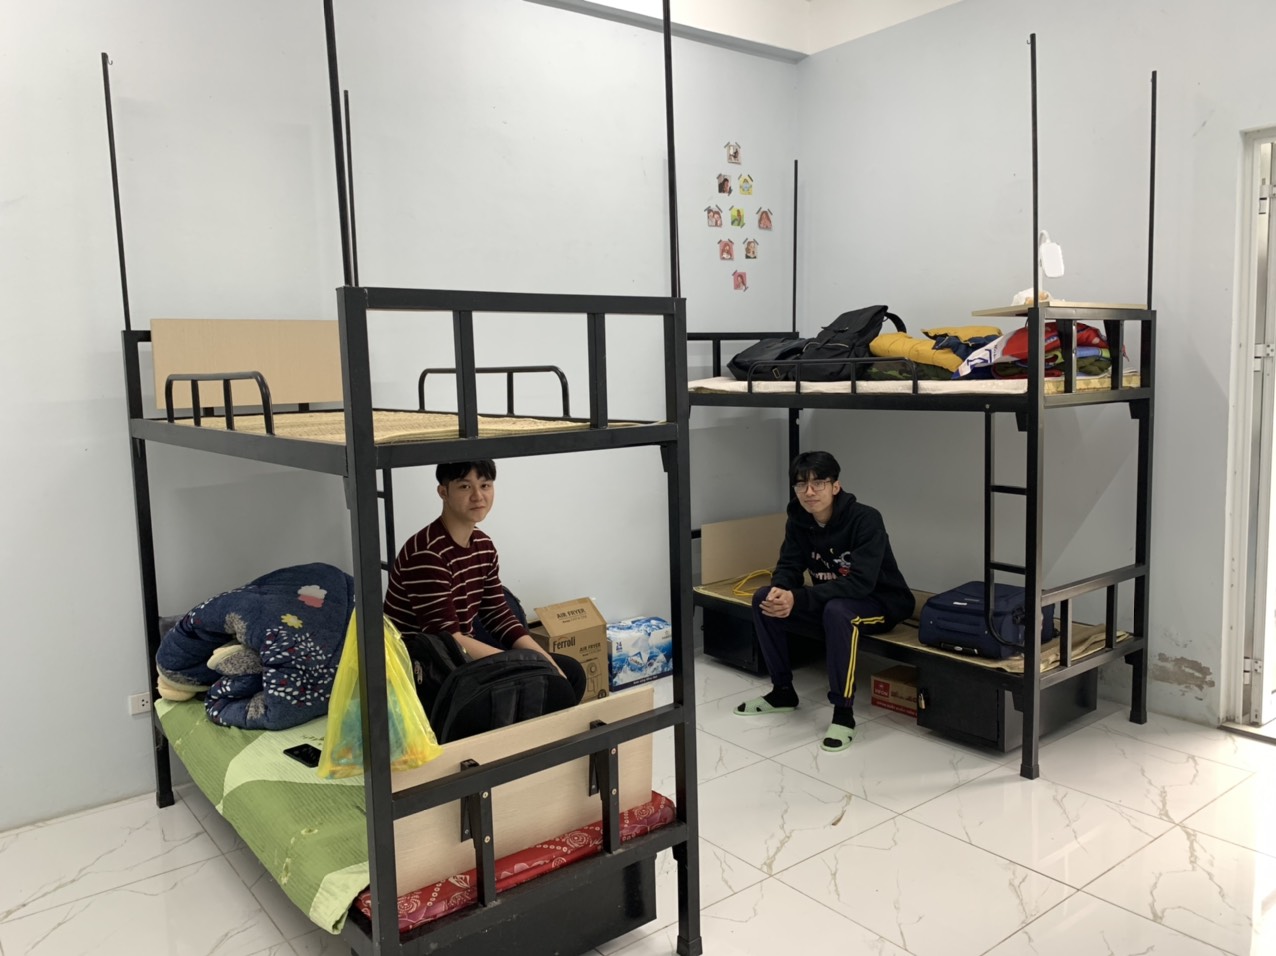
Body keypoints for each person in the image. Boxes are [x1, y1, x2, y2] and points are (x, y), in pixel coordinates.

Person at [735, 451, 913, 752]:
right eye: (801, 484)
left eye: (818, 483)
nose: (809, 491)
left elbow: (860, 583)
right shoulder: (798, 521)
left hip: (880, 602)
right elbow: (789, 566)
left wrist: (799, 597)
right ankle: (782, 691)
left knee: (838, 611)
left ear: (835, 486)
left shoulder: (866, 519)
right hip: (833, 601)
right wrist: (781, 590)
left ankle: (843, 714)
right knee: (764, 598)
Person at [383, 459, 586, 704]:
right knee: (542, 683)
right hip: (425, 672)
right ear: (443, 492)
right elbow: (447, 639)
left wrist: (546, 661)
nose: (478, 496)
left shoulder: (483, 545)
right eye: (465, 486)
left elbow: (498, 615)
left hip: (459, 659)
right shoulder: (427, 553)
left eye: (485, 485)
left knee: (570, 673)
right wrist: (521, 666)